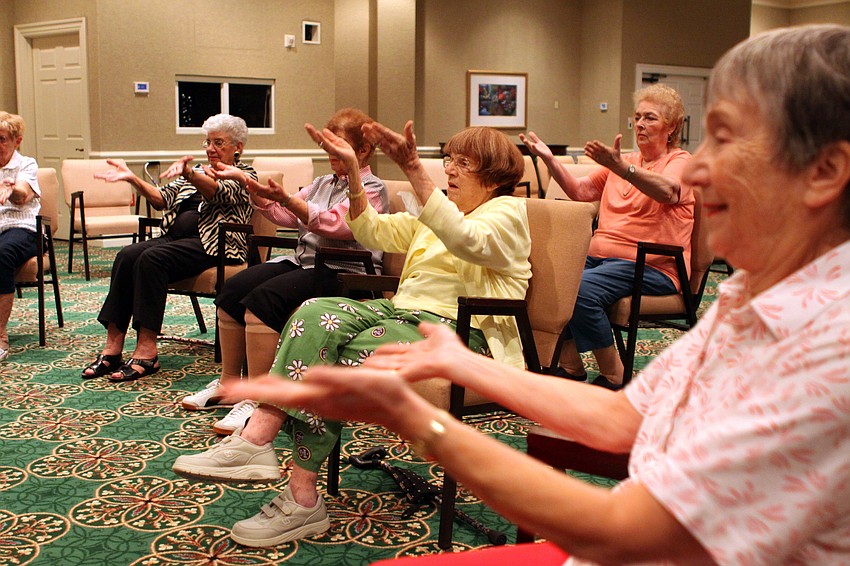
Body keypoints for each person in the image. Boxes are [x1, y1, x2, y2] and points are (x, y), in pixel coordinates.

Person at [221, 24, 850, 564]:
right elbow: (619, 416)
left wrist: (423, 422)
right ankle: (272, 456)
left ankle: (286, 475)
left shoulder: (832, 345)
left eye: (729, 136)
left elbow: (623, 531)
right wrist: (458, 362)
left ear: (824, 173)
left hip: (619, 538)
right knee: (317, 313)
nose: (699, 169)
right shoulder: (748, 302)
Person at [173, 120, 531, 547]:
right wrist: (355, 185)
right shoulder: (440, 212)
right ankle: (261, 438)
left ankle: (298, 494)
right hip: (402, 314)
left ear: (493, 175)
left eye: (464, 163)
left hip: (458, 334)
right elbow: (372, 231)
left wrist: (415, 168)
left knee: (330, 358)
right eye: (449, 159)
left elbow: (466, 240)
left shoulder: (507, 213)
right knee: (313, 313)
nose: (449, 170)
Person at [180, 108, 389, 435]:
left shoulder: (373, 188)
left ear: (362, 151)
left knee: (263, 301)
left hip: (346, 272)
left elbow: (336, 224)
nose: (328, 152)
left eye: (337, 145)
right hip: (309, 264)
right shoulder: (322, 182)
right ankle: (230, 383)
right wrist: (246, 182)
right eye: (326, 144)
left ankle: (261, 398)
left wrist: (291, 203)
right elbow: (284, 213)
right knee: (232, 292)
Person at [520, 84, 694, 390]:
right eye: (637, 117)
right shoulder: (625, 161)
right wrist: (551, 161)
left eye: (650, 118)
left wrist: (623, 169)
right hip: (604, 260)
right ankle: (571, 366)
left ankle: (615, 373)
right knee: (553, 281)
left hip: (655, 265)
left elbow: (668, 190)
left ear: (672, 127)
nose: (640, 124)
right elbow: (580, 191)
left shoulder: (680, 162)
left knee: (581, 289)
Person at [81, 114, 254, 382]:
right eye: (208, 142)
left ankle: (147, 352)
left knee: (153, 258)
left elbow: (218, 192)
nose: (210, 148)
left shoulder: (244, 176)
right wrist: (133, 180)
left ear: (238, 147)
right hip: (176, 240)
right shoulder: (196, 171)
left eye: (218, 142)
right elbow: (162, 199)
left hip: (215, 244)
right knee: (127, 255)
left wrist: (190, 173)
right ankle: (113, 348)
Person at [0, 112, 40, 363]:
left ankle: (0, 335)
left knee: (2, 253)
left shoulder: (26, 164)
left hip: (23, 229)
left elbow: (23, 195)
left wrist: (11, 189)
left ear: (17, 141)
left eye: (1, 139)